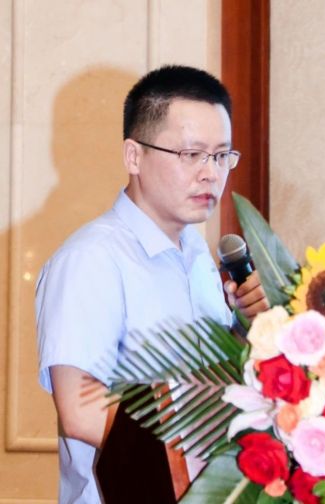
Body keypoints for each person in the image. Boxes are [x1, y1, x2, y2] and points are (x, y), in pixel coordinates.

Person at [35, 65, 268, 503]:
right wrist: (205, 453)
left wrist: (245, 328)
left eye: (221, 156)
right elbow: (80, 408)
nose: (211, 174)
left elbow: (210, 380)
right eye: (191, 154)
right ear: (134, 156)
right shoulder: (90, 259)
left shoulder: (197, 255)